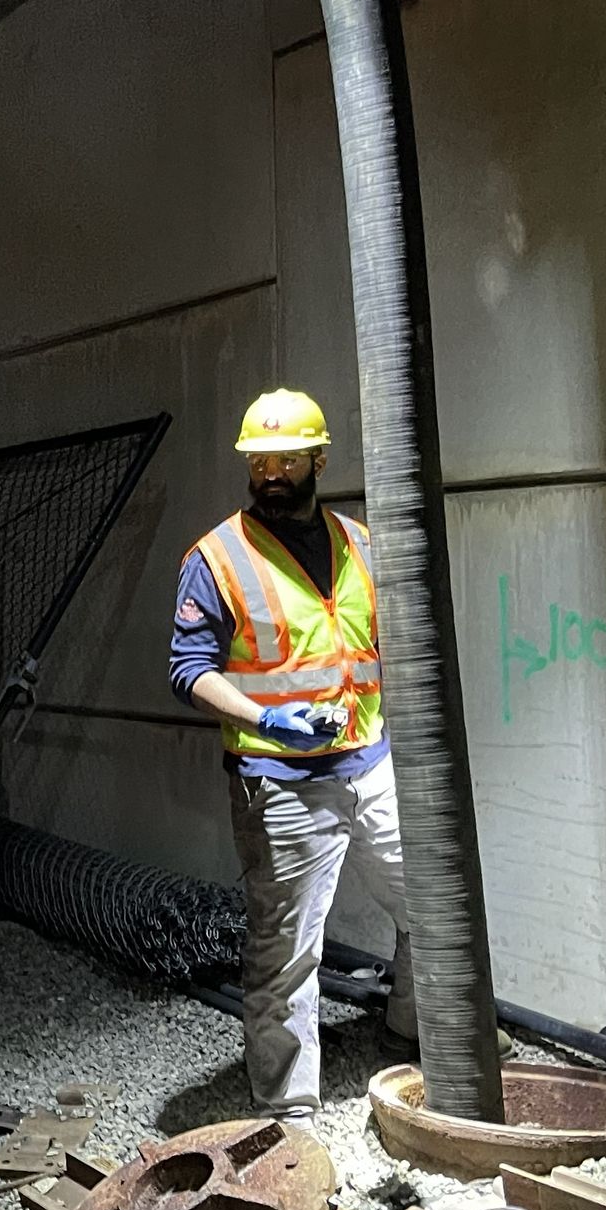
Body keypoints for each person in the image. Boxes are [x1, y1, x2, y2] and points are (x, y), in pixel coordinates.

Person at [168, 389, 415, 1129]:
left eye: (288, 458)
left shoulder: (363, 545)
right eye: (260, 460)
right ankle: (291, 1115)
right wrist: (268, 717)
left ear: (319, 459)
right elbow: (189, 669)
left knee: (431, 908)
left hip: (369, 766)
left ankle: (414, 1031)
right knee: (286, 955)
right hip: (280, 784)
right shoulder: (216, 558)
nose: (272, 472)